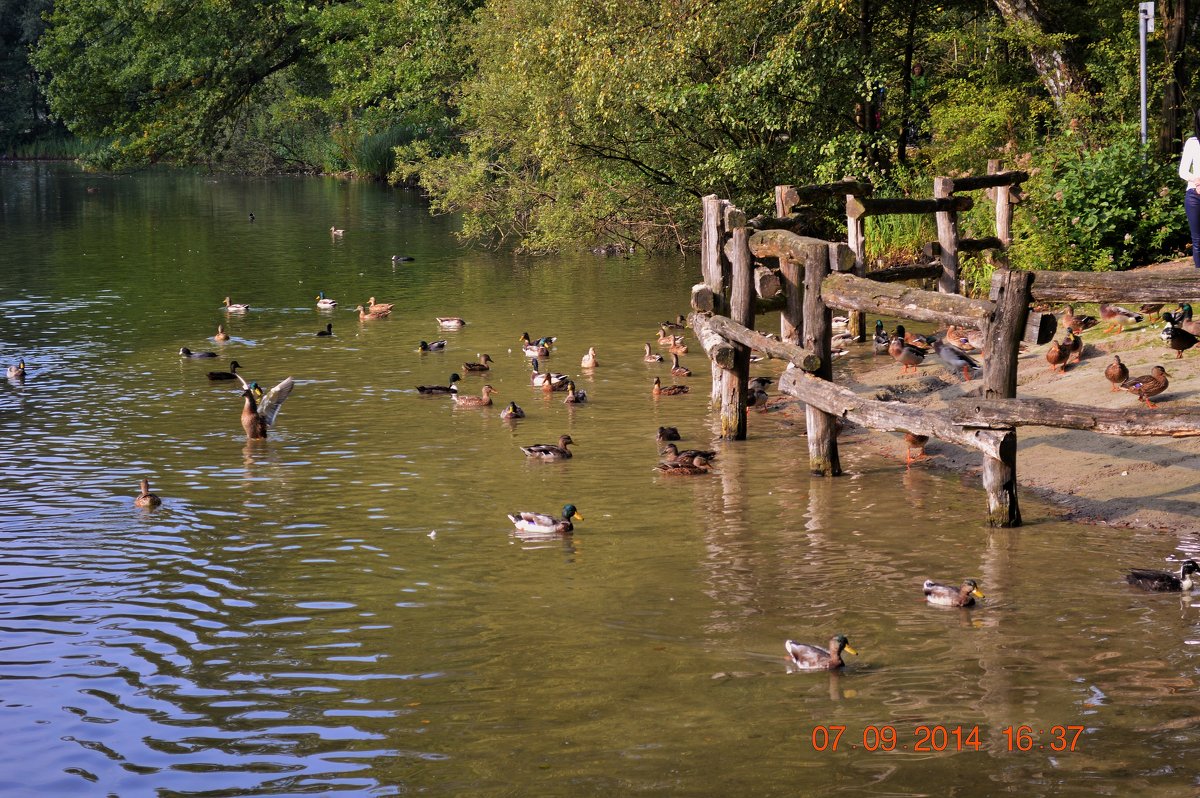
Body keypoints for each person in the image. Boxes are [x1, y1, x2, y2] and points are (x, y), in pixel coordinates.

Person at [1179, 108, 1200, 268]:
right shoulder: (1192, 143)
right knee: (1198, 240)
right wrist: (1197, 181)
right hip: (1194, 195)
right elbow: (1183, 171)